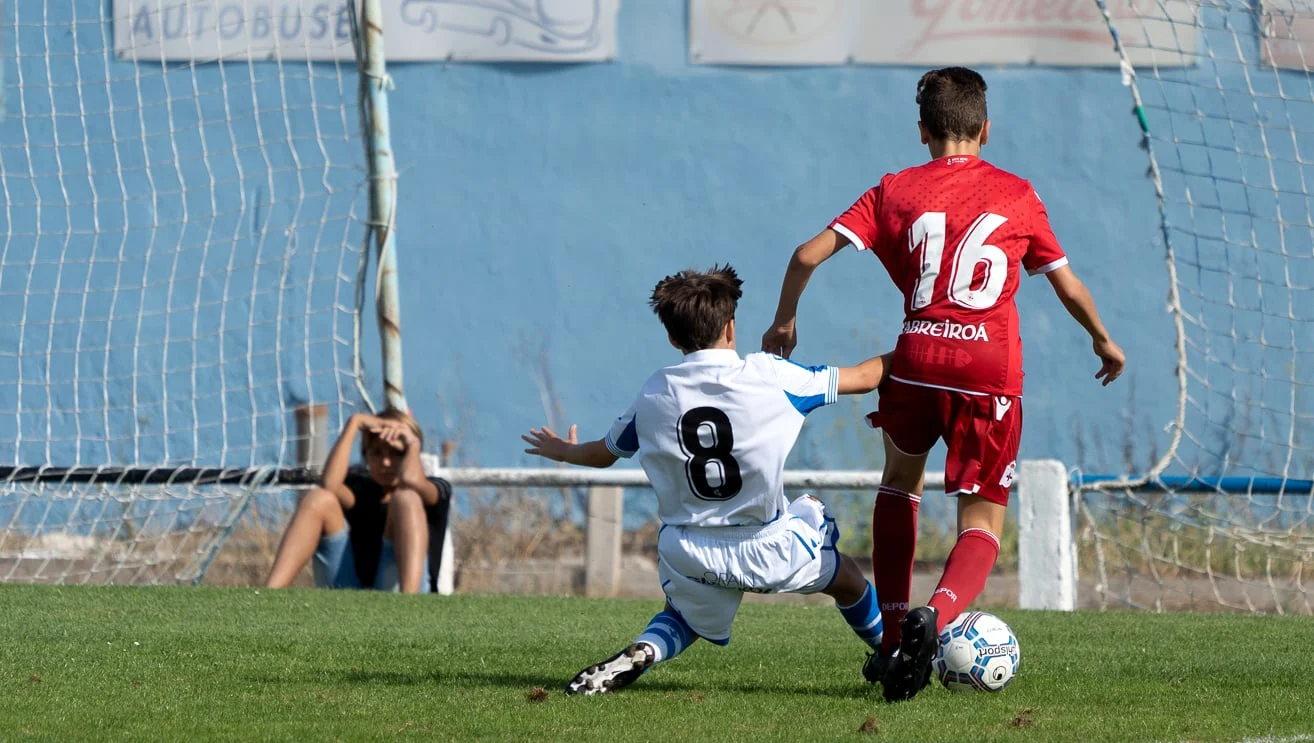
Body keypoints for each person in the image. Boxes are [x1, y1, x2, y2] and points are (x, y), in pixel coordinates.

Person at [761, 66, 1126, 702]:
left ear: (924, 130)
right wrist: (1101, 337)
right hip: (988, 374)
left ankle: (895, 632)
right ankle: (942, 610)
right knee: (981, 522)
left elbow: (804, 255)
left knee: (899, 485)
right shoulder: (1017, 193)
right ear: (986, 129)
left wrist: (784, 319)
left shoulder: (894, 189)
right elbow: (1066, 283)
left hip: (916, 358)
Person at [522, 264, 892, 696]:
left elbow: (605, 454)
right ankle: (891, 649)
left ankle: (645, 650)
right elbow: (867, 378)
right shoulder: (772, 375)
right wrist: (927, 348)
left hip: (689, 548)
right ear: (731, 328)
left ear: (673, 339)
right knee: (841, 570)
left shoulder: (655, 392)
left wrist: (565, 451)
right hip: (767, 547)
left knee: (684, 616)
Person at [266, 408, 449, 594]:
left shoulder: (435, 489)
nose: (386, 462)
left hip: (399, 593)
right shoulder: (361, 488)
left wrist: (413, 443)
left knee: (405, 498)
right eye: (377, 453)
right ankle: (268, 596)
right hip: (353, 591)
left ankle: (411, 607)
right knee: (319, 498)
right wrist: (353, 424)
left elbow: (410, 480)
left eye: (396, 453)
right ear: (366, 456)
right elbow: (329, 484)